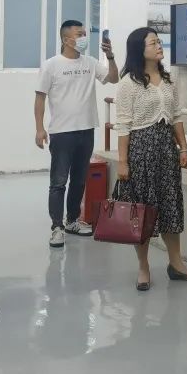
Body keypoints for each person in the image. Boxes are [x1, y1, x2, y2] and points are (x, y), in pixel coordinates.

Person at [114, 28, 187, 291]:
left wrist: (183, 148)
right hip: (141, 151)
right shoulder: (129, 83)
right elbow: (123, 125)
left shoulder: (168, 80)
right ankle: (143, 267)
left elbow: (176, 117)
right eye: (153, 43)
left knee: (170, 206)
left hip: (166, 151)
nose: (159, 46)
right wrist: (122, 161)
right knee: (142, 211)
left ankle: (176, 263)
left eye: (159, 42)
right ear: (139, 49)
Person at [35, 21, 118, 248]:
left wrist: (110, 56)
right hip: (62, 132)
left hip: (86, 129)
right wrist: (39, 128)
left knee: (79, 180)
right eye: (79, 34)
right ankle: (56, 227)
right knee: (59, 181)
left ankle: (72, 220)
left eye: (84, 33)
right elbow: (40, 98)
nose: (83, 38)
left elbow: (114, 78)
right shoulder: (51, 65)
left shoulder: (90, 63)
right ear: (66, 39)